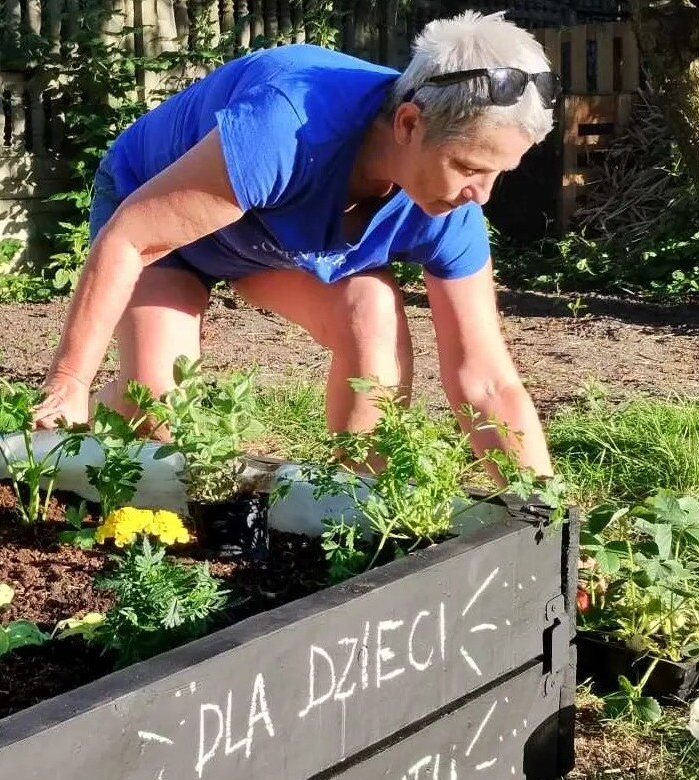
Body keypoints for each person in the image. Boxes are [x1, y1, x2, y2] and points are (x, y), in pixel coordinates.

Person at [31, 10, 559, 482]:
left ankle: (350, 501)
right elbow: (130, 239)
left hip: (265, 238)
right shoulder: (288, 126)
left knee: (371, 308)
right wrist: (70, 381)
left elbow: (487, 381)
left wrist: (546, 513)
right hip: (155, 214)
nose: (480, 196)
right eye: (469, 167)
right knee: (159, 412)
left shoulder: (453, 211)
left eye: (498, 174)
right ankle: (84, 413)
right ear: (408, 123)